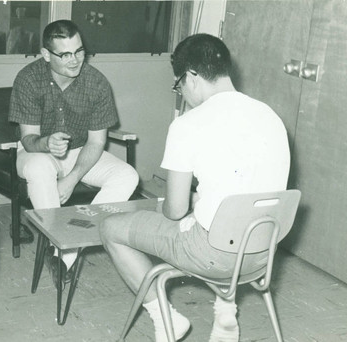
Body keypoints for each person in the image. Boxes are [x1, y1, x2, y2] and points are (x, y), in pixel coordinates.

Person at [100, 33, 290, 342]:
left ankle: (166, 321)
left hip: (215, 255)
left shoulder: (188, 124)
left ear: (192, 76)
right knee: (213, 216)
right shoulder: (270, 116)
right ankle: (226, 312)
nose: (182, 94)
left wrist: (172, 203)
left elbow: (174, 211)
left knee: (111, 228)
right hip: (262, 252)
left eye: (179, 85)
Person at [8, 20, 139, 289]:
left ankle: (68, 248)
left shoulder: (96, 82)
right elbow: (28, 140)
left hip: (81, 152)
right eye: (65, 54)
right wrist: (46, 143)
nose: (75, 60)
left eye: (79, 51)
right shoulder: (28, 78)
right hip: (38, 152)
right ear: (46, 55)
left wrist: (72, 178)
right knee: (38, 169)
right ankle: (59, 245)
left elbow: (96, 142)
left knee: (127, 175)